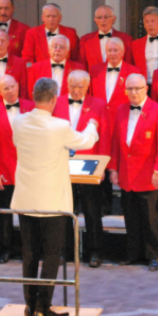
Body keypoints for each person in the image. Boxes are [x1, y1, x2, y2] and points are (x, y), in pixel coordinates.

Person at [10, 77, 99, 316]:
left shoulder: (18, 121)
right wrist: (92, 123)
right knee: (51, 255)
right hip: (52, 202)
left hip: (26, 200)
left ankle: (30, 306)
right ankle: (43, 308)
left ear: (34, 95)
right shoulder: (60, 126)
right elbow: (86, 141)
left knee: (29, 254)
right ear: (53, 99)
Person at [108, 74, 158, 271]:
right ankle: (132, 253)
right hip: (127, 175)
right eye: (130, 89)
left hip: (149, 175)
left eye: (137, 88)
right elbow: (115, 142)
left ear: (146, 89)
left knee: (151, 219)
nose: (134, 92)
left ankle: (155, 255)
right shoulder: (121, 110)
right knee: (131, 217)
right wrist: (113, 168)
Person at [53, 70, 109, 268]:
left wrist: (102, 166)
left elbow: (104, 136)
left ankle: (95, 252)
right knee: (63, 210)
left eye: (80, 87)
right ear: (67, 85)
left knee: (92, 210)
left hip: (89, 165)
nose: (76, 91)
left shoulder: (99, 104)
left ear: (88, 86)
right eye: (73, 86)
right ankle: (64, 251)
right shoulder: (57, 102)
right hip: (61, 164)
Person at [0, 75, 35, 264]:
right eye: (6, 88)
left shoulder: (32, 107)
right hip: (4, 171)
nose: (10, 90)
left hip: (28, 169)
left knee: (28, 213)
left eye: (12, 86)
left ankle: (29, 249)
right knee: (5, 214)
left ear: (18, 86)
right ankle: (5, 249)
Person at [88, 37, 143, 129]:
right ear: (106, 52)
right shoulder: (95, 71)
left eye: (115, 50)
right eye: (109, 50)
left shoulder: (134, 72)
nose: (112, 53)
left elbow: (139, 101)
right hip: (100, 123)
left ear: (122, 52)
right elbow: (90, 97)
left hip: (124, 123)